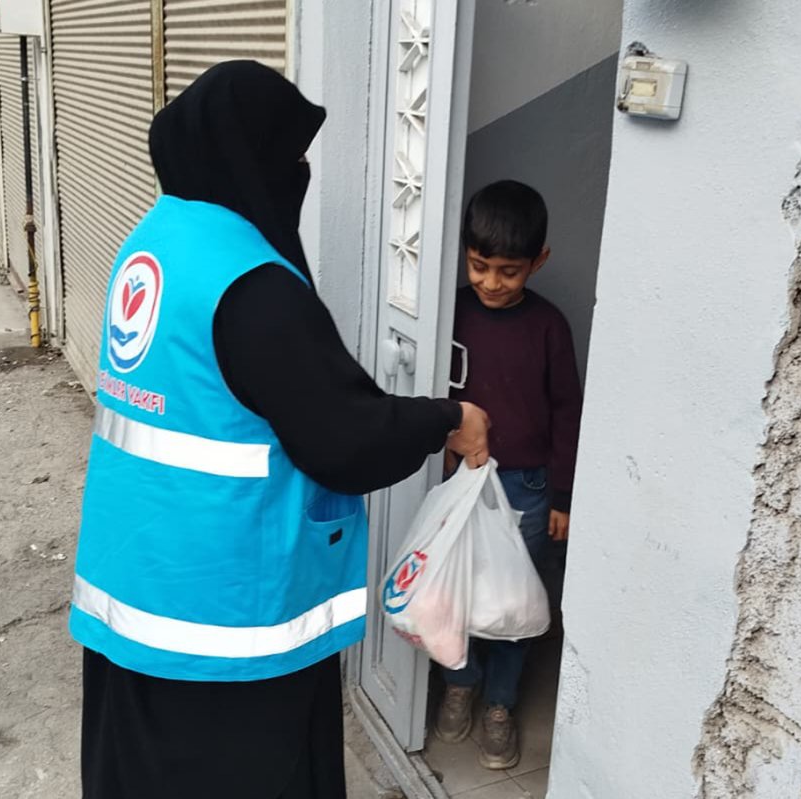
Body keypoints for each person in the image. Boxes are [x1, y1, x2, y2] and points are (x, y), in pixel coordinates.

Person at [69, 61, 490, 799]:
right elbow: (343, 438)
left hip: (135, 582)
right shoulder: (253, 288)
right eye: (290, 157)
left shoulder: (157, 239)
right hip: (226, 621)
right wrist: (448, 418)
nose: (298, 173)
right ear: (249, 156)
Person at [437, 180, 583, 770]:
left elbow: (568, 411)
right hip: (457, 482)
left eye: (509, 271)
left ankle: (500, 703)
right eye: (479, 266)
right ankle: (461, 681)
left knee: (513, 601)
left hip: (525, 487)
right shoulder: (447, 312)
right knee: (453, 592)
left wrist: (564, 496)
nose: (492, 283)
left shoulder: (549, 326)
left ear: (538, 262)